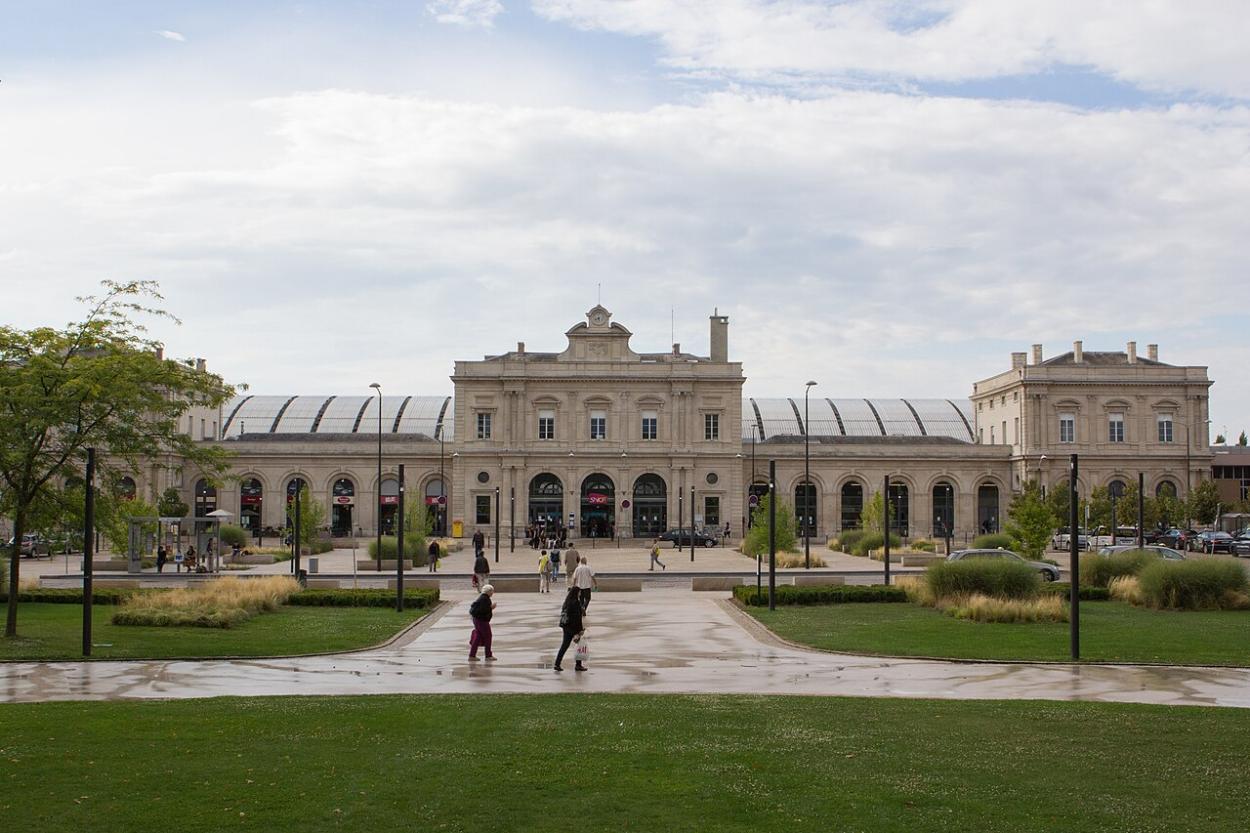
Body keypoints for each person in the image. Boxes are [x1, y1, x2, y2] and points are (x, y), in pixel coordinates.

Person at [553, 586, 585, 672]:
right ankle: (578, 665)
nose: (580, 593)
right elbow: (577, 618)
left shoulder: (567, 602)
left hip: (566, 627)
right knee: (579, 646)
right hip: (573, 628)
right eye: (579, 592)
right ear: (576, 593)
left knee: (564, 646)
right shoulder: (575, 602)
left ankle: (557, 663)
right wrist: (580, 630)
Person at [468, 584, 496, 661]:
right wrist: (491, 608)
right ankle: (488, 655)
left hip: (478, 620)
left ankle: (472, 655)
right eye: (492, 591)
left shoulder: (482, 598)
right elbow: (483, 611)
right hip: (482, 621)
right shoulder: (485, 599)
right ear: (489, 591)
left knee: (477, 637)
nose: (493, 593)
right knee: (488, 637)